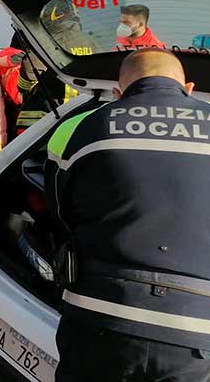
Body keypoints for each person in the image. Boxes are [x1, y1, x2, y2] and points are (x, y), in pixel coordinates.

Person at [45, 48, 210, 381]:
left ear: (118, 93)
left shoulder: (78, 129)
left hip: (100, 313)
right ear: (188, 88)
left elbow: (60, 211)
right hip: (195, 327)